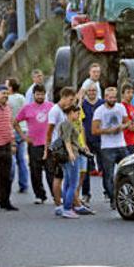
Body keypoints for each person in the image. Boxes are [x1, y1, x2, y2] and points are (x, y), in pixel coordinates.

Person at [91, 87, 129, 210]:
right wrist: (108, 130)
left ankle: (126, 194)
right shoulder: (99, 111)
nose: (112, 99)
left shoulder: (121, 107)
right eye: (110, 97)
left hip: (121, 144)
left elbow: (127, 122)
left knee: (128, 170)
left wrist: (122, 127)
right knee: (108, 175)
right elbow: (94, 130)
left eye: (114, 97)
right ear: (105, 97)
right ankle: (113, 198)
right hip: (107, 147)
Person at [15, 84, 54, 204]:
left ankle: (55, 194)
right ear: (34, 95)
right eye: (38, 94)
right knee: (35, 171)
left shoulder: (51, 107)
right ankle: (39, 195)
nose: (40, 96)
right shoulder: (27, 108)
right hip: (34, 144)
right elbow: (15, 122)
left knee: (51, 170)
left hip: (49, 144)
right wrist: (23, 137)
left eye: (42, 94)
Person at [46, 87, 78, 215]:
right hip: (59, 148)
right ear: (64, 97)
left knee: (64, 177)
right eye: (70, 100)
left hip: (63, 147)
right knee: (59, 177)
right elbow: (49, 131)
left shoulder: (64, 111)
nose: (71, 103)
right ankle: (60, 205)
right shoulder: (55, 111)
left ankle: (64, 205)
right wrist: (47, 148)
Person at [55, 105, 89, 219]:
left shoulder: (65, 124)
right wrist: (71, 153)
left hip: (71, 154)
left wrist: (82, 148)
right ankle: (67, 208)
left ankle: (66, 206)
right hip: (72, 156)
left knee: (68, 183)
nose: (78, 115)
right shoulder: (68, 124)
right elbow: (67, 140)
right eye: (77, 113)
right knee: (73, 183)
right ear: (70, 113)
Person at [79, 82, 104, 201]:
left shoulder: (102, 104)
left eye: (94, 90)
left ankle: (108, 192)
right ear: (86, 92)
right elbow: (79, 121)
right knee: (86, 169)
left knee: (105, 168)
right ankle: (86, 193)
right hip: (87, 140)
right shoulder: (83, 105)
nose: (92, 92)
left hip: (101, 139)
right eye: (90, 90)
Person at [6, 78, 29, 194]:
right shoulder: (22, 98)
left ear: (10, 87)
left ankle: (9, 182)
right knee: (22, 159)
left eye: (6, 86)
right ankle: (24, 184)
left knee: (12, 159)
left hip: (12, 130)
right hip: (23, 129)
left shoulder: (7, 100)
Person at [120, 83, 134, 155]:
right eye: (128, 92)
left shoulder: (133, 107)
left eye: (132, 92)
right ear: (122, 94)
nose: (131, 95)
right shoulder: (121, 107)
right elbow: (131, 127)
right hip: (127, 142)